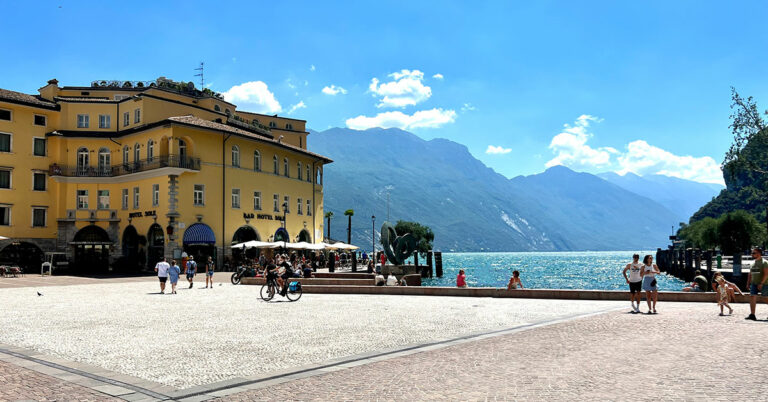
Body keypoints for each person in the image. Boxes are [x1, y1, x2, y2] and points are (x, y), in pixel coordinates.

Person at [745, 247, 768, 321]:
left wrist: (761, 283)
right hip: (754, 283)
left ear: (759, 253)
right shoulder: (752, 263)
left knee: (766, 298)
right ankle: (752, 314)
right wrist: (748, 283)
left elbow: (766, 274)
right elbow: (750, 274)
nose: (752, 254)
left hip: (764, 284)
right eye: (752, 253)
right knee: (752, 297)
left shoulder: (764, 262)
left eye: (754, 253)